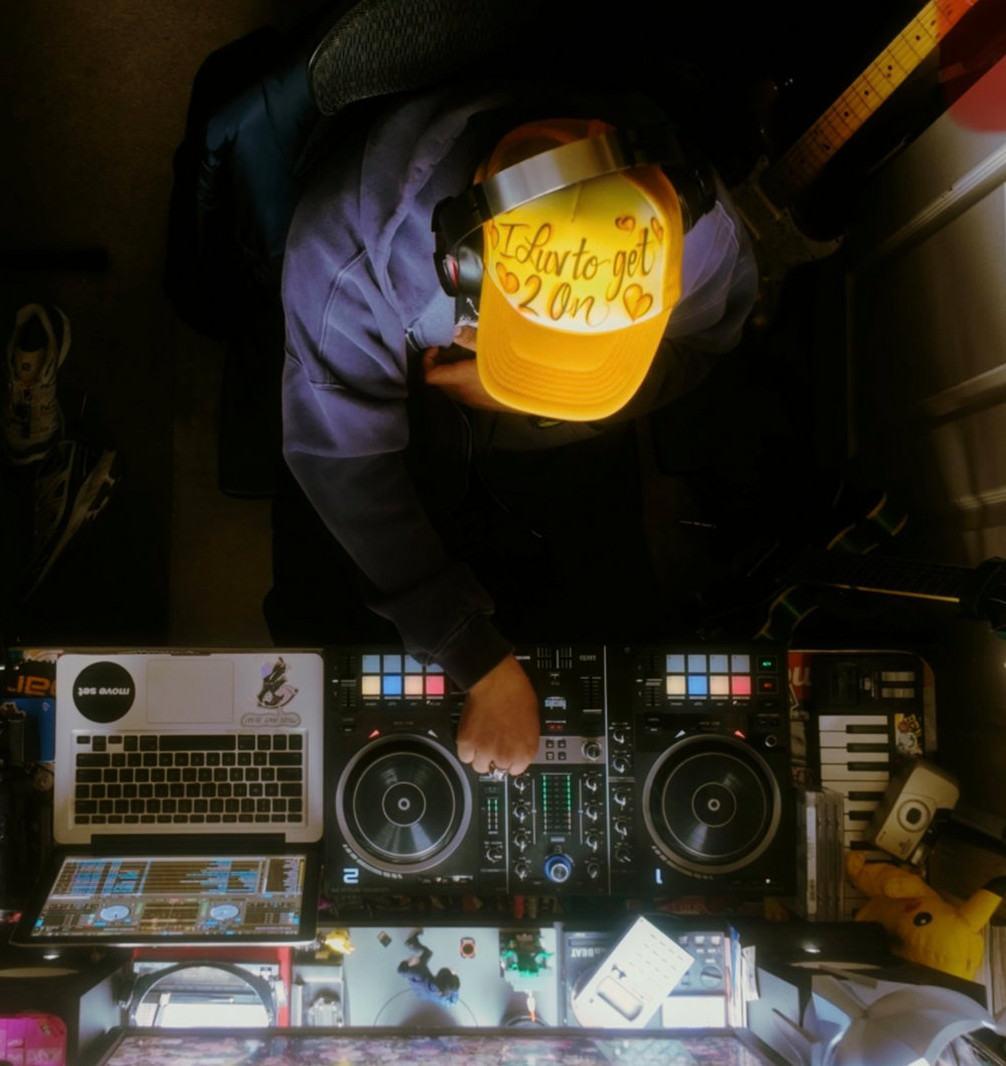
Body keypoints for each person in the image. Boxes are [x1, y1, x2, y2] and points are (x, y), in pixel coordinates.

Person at [276, 80, 758, 776]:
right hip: (405, 405)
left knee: (619, 617)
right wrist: (468, 650)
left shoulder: (697, 229)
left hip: (567, 427)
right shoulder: (350, 248)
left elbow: (704, 346)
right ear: (463, 262)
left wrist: (540, 401)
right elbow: (339, 457)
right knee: (322, 612)